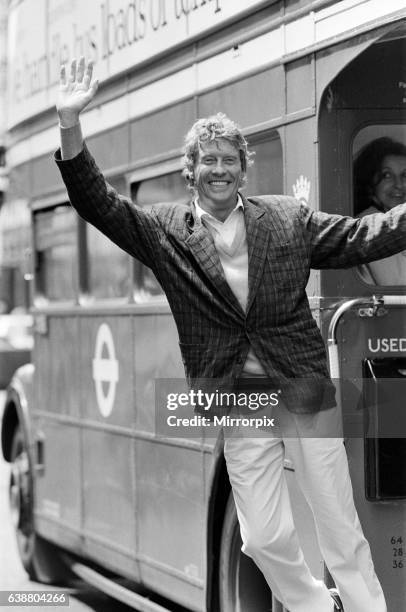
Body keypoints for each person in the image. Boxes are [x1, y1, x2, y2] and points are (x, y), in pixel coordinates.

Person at [54, 58, 406, 612]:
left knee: (339, 524)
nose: (219, 169)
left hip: (305, 392)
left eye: (229, 160)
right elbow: (96, 202)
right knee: (262, 537)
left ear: (243, 170)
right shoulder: (166, 231)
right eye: (208, 160)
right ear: (190, 169)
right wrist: (70, 126)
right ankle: (316, 606)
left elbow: (364, 235)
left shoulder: (287, 218)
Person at [354, 137, 406, 285]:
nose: (399, 185)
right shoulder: (367, 225)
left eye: (405, 175)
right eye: (387, 175)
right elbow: (397, 283)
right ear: (370, 183)